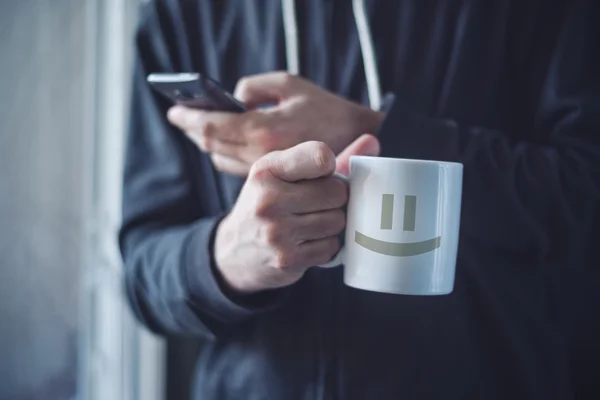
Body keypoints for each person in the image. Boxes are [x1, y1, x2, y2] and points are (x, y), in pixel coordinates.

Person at [119, 0, 600, 398]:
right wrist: (227, 257)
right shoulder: (181, 12)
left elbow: (585, 195)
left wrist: (372, 131)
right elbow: (142, 276)